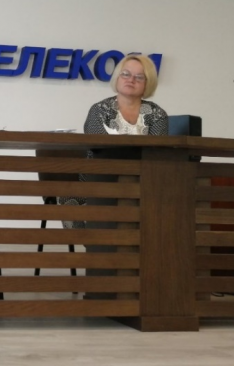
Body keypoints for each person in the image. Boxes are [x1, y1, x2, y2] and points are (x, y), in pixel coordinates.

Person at [72, 54, 168, 293]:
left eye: (139, 77)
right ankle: (102, 289)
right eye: (126, 74)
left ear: (148, 83)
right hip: (99, 184)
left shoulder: (157, 114)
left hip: (143, 186)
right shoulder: (99, 110)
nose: (131, 80)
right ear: (117, 77)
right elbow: (100, 148)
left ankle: (145, 287)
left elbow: (156, 153)